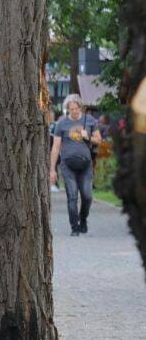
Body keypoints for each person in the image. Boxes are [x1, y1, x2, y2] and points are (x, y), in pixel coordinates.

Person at [49, 94, 102, 236]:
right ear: (67, 109)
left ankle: (83, 219)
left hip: (85, 166)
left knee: (87, 197)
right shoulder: (61, 124)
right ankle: (75, 227)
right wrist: (52, 169)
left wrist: (87, 137)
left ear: (80, 107)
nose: (74, 111)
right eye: (71, 109)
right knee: (72, 196)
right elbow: (55, 147)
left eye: (76, 108)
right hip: (67, 166)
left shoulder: (89, 121)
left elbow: (98, 140)